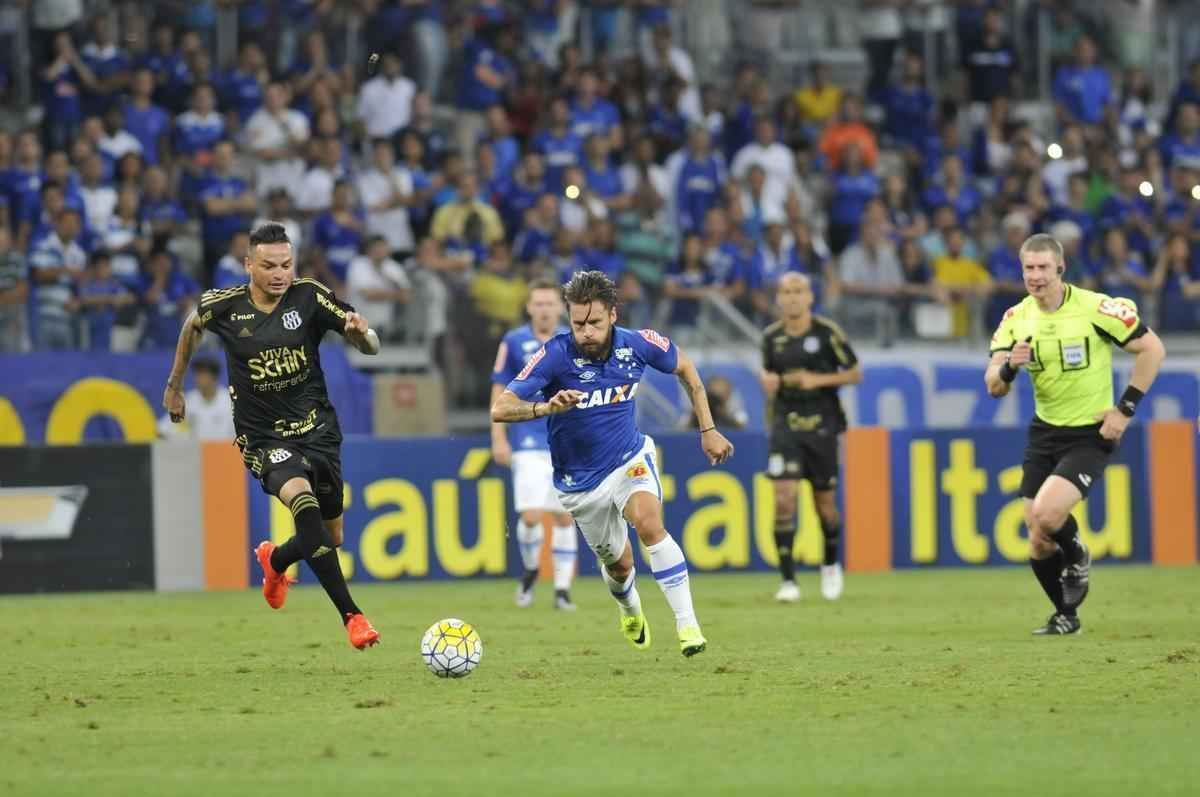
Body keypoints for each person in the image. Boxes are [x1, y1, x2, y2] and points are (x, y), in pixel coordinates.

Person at [490, 271, 734, 657]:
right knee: (620, 568)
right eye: (578, 324)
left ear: (614, 315)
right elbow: (500, 408)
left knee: (650, 524)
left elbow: (686, 368)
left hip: (629, 458)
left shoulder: (638, 344)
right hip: (580, 483)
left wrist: (708, 428)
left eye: (594, 323)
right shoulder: (554, 354)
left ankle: (688, 625)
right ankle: (629, 607)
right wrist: (545, 407)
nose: (585, 332)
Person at [162, 223, 383, 649]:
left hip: (318, 431)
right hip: (263, 437)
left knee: (330, 536)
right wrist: (174, 385)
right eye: (268, 265)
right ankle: (353, 618)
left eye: (286, 264)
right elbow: (191, 326)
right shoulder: (225, 306)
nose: (280, 273)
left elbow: (368, 343)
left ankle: (276, 559)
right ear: (248, 265)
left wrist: (362, 336)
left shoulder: (310, 296)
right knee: (302, 500)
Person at [985, 234, 1166, 635]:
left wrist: (1125, 409)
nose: (1035, 276)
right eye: (1028, 268)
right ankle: (1066, 616)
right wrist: (1010, 369)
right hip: (1044, 431)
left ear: (1060, 268)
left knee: (1048, 514)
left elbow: (1152, 349)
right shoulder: (1017, 318)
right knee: (1036, 537)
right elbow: (993, 385)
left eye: (1043, 268)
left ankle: (1079, 553)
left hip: (1090, 430)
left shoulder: (1095, 307)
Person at [761, 273, 862, 603]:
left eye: (798, 291)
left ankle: (830, 564)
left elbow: (855, 372)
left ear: (809, 298)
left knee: (825, 507)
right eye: (785, 292)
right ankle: (788, 581)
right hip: (786, 427)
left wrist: (815, 380)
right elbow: (769, 376)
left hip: (823, 427)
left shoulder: (827, 333)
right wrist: (770, 384)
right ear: (778, 299)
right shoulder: (770, 338)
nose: (791, 297)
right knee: (783, 498)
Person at [489, 279, 578, 611]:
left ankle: (562, 590)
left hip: (567, 439)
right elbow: (499, 391)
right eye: (538, 304)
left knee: (564, 517)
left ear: (560, 308)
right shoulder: (513, 342)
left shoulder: (573, 342)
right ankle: (530, 569)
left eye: (549, 303)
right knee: (530, 517)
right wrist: (498, 437)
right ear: (528, 307)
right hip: (527, 437)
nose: (544, 310)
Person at [157, 357, 235, 440]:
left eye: (203, 374)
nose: (198, 378)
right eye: (197, 374)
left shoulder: (229, 401)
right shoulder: (190, 400)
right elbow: (163, 428)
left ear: (214, 377)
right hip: (198, 451)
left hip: (226, 450)